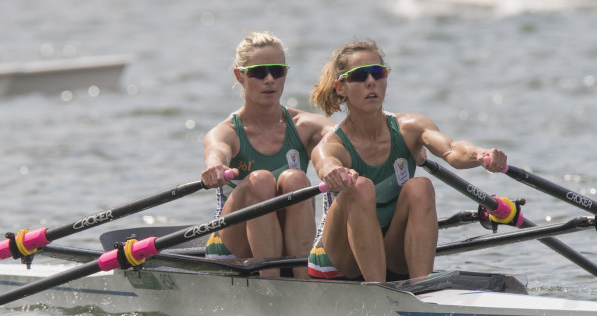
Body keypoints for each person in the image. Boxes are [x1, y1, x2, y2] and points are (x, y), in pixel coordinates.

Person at [307, 40, 508, 283]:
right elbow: (324, 162)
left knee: (420, 186)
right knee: (359, 186)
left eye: (378, 73)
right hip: (340, 260)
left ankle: (421, 287)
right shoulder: (332, 143)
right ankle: (377, 291)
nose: (371, 81)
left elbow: (452, 149)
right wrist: (333, 171)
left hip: (391, 250)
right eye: (359, 76)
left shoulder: (409, 128)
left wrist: (480, 154)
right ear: (341, 88)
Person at [200, 31, 334, 278]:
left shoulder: (306, 125)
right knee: (260, 179)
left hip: (285, 239)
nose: (270, 79)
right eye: (259, 72)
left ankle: (305, 286)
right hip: (231, 246)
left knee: (295, 179)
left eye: (277, 71)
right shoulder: (226, 132)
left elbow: (347, 137)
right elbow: (216, 152)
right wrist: (215, 167)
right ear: (239, 76)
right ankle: (271, 284)